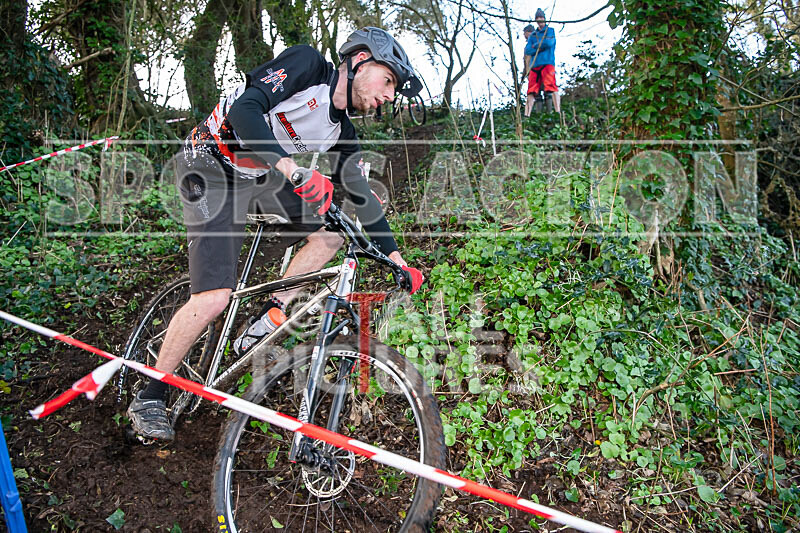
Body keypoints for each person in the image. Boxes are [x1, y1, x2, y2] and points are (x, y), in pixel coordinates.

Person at [127, 27, 426, 441]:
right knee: (214, 297)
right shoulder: (308, 66)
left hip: (256, 175)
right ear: (360, 60)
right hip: (208, 161)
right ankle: (151, 394)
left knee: (332, 235)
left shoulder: (342, 133)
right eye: (388, 80)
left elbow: (363, 199)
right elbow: (245, 111)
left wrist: (396, 259)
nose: (390, 95)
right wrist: (291, 168)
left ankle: (270, 314)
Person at [524, 8, 560, 114]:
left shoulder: (550, 31)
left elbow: (549, 43)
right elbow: (528, 50)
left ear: (544, 18)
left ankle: (557, 112)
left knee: (551, 87)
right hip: (534, 65)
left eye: (541, 17)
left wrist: (536, 46)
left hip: (547, 63)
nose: (539, 20)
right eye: (538, 18)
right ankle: (527, 115)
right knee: (531, 90)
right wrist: (540, 46)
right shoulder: (533, 35)